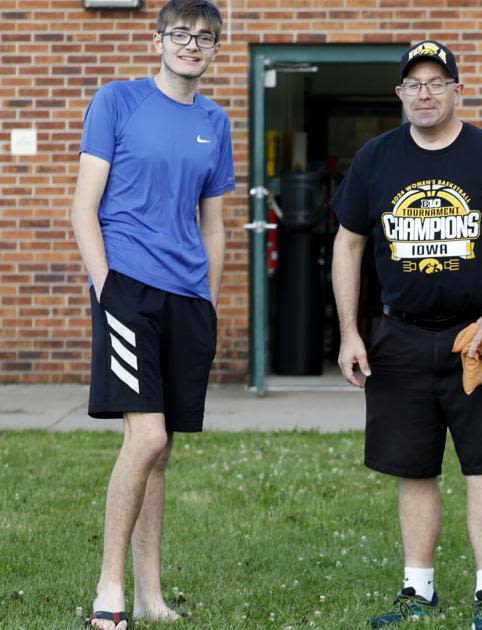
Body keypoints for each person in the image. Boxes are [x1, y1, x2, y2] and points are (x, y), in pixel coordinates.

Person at [330, 40, 482, 630]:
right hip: (399, 338)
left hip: (479, 336)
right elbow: (348, 244)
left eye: (436, 82)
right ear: (400, 94)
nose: (424, 94)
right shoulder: (375, 160)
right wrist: (351, 332)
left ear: (457, 89)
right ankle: (418, 590)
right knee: (413, 467)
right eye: (413, 84)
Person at [69, 2, 233, 628]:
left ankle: (149, 595)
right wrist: (107, 286)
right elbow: (84, 207)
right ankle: (109, 588)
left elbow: (213, 224)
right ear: (159, 38)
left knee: (162, 452)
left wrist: (209, 300)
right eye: (182, 35)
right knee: (147, 436)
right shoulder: (117, 101)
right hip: (127, 288)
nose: (193, 46)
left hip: (188, 298)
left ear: (215, 48)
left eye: (205, 38)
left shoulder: (215, 122)